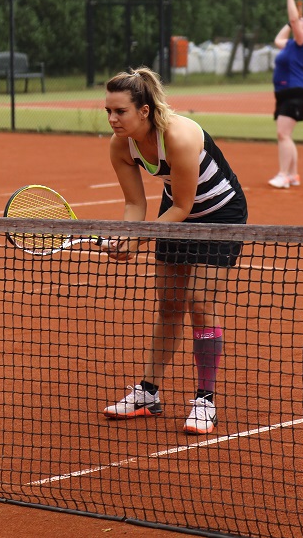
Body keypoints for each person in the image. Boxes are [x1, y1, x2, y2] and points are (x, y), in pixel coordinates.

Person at [102, 66, 248, 435]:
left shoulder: (179, 137)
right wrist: (128, 236)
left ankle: (205, 401)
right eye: (108, 111)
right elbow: (135, 204)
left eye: (120, 111)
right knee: (169, 304)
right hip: (176, 211)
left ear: (144, 111)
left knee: (199, 302)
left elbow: (183, 206)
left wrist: (138, 240)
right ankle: (148, 394)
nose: (113, 119)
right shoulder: (121, 145)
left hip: (220, 215)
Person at [268, 0, 303, 189]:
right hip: (286, 92)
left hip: (296, 91)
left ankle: (283, 175)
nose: (301, 20)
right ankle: (293, 175)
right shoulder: (291, 45)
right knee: (286, 135)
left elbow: (294, 20)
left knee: (283, 134)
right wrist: (292, 23)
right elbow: (278, 39)